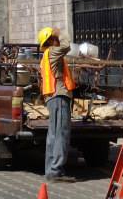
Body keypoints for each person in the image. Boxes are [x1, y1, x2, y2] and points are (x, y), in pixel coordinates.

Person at [38, 27, 76, 183]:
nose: (58, 40)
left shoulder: (45, 56)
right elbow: (67, 46)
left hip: (52, 97)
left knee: (53, 135)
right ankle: (56, 171)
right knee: (61, 134)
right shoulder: (53, 51)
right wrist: (61, 33)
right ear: (51, 40)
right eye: (55, 38)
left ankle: (50, 170)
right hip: (59, 97)